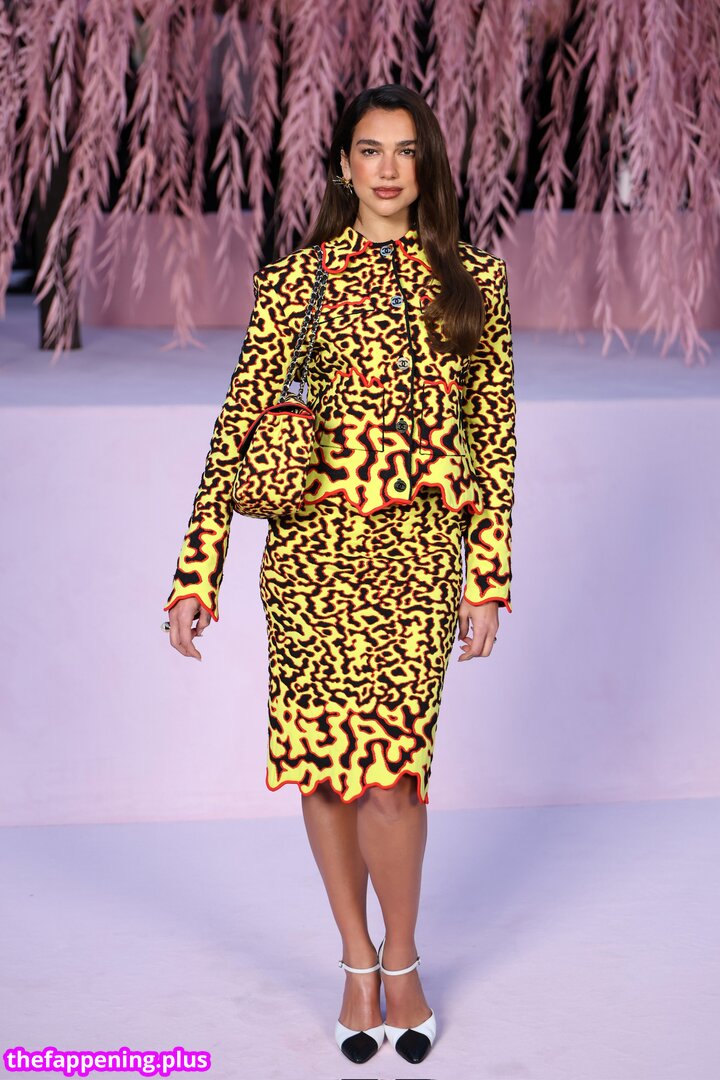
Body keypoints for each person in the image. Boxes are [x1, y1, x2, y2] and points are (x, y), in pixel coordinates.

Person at [162, 83, 515, 1066]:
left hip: (417, 562)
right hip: (309, 559)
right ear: (344, 166)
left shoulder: (474, 282)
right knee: (323, 768)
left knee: (393, 779)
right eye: (370, 149)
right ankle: (356, 959)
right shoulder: (295, 282)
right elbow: (238, 424)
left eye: (406, 150)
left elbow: (493, 439)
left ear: (426, 165)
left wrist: (486, 578)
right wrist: (197, 571)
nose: (388, 168)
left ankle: (403, 958)